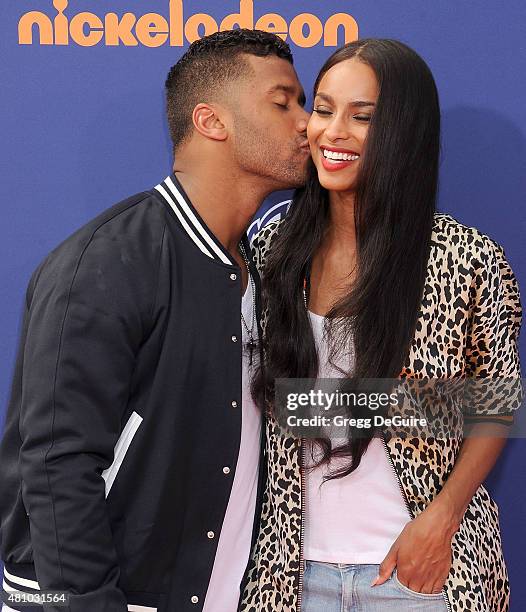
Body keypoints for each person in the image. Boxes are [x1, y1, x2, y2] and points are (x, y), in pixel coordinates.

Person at [0, 29, 309, 612]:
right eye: (283, 101)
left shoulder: (258, 267)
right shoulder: (107, 261)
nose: (306, 122)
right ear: (212, 121)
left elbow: (290, 414)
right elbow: (55, 461)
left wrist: (464, 409)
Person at [241, 39, 522, 612]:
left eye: (362, 116)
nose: (332, 132)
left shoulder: (465, 260)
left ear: (404, 132)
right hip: (288, 574)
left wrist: (440, 523)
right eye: (323, 109)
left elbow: (495, 404)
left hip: (417, 573)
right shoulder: (270, 249)